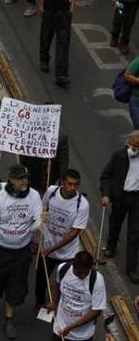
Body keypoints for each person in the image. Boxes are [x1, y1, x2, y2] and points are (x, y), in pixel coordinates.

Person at [0, 164, 42, 340]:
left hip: (21, 251)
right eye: (20, 178)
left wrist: (41, 222)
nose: (24, 181)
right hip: (0, 248)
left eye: (26, 178)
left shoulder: (34, 196)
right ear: (11, 179)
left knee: (16, 286)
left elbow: (36, 222)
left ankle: (9, 320)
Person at [37, 169, 90, 309]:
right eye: (69, 184)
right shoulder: (51, 192)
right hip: (47, 246)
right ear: (62, 182)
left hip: (67, 253)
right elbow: (42, 209)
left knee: (64, 282)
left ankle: (58, 305)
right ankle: (39, 302)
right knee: (41, 279)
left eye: (76, 185)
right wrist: (40, 233)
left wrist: (52, 249)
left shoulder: (82, 204)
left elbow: (74, 233)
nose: (72, 187)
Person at [100, 132, 139, 281]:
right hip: (120, 196)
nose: (134, 150)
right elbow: (106, 176)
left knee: (135, 233)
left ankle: (132, 268)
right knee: (115, 223)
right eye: (132, 146)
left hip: (136, 198)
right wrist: (106, 194)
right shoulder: (119, 156)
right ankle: (111, 245)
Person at [48, 250, 106, 341]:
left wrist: (71, 327)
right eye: (79, 273)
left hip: (82, 336)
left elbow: (96, 311)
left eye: (85, 273)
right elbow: (58, 285)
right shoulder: (63, 269)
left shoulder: (97, 280)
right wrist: (54, 303)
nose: (82, 276)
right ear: (73, 266)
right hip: (59, 329)